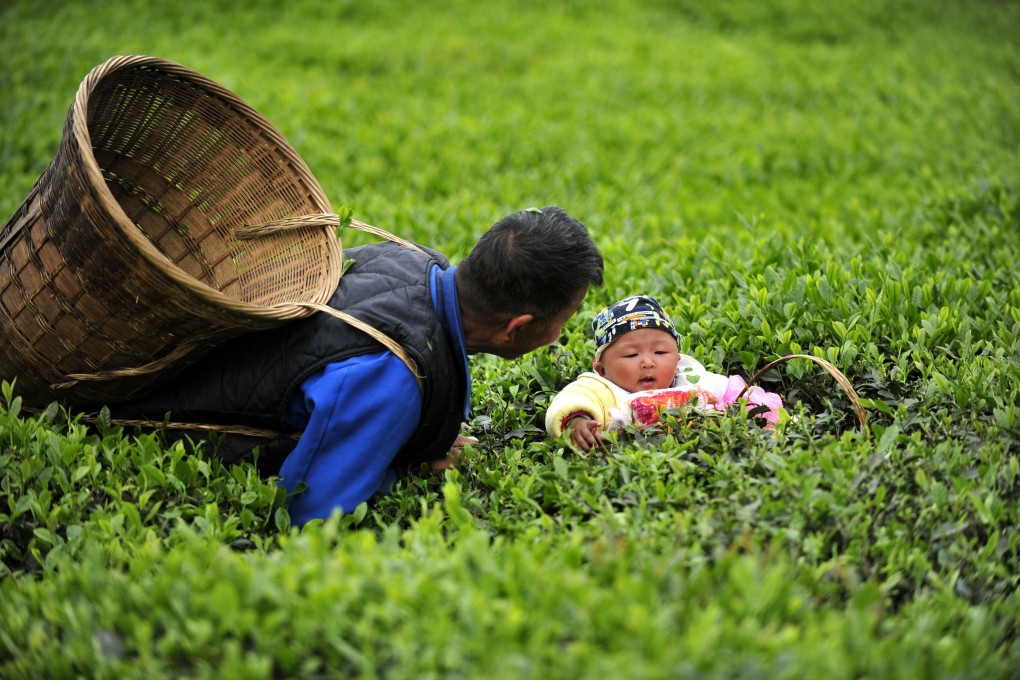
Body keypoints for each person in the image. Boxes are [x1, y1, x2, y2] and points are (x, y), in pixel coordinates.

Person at [106, 206, 604, 525]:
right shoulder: (393, 376)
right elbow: (311, 507)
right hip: (134, 410)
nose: (562, 333)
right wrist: (404, 466)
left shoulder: (410, 258)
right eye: (565, 319)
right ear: (516, 328)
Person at [545, 294, 783, 452]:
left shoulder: (689, 379)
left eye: (660, 352)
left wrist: (760, 409)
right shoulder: (600, 389)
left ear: (677, 358)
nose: (648, 362)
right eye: (631, 355)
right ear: (601, 369)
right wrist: (578, 422)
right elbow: (569, 401)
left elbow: (732, 392)